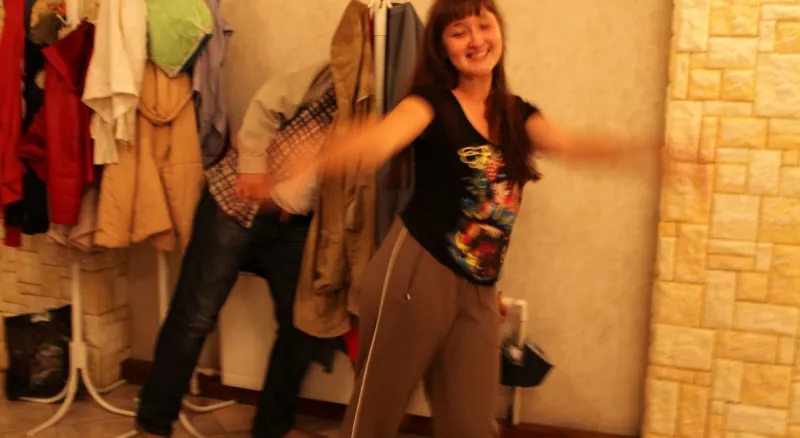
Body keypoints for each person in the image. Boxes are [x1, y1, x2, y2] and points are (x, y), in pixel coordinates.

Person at [281, 0, 656, 437]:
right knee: (376, 416)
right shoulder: (430, 104)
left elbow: (574, 146)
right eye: (459, 32)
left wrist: (654, 154)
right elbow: (378, 142)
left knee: (472, 423)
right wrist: (315, 157)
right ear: (443, 48)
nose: (476, 40)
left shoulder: (517, 115)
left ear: (500, 33)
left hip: (479, 286)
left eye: (483, 26)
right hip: (416, 270)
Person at [135, 62, 335, 438]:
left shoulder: (388, 103)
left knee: (303, 324)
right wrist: (253, 168)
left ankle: (272, 427)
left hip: (295, 222)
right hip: (235, 204)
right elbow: (264, 107)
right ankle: (153, 423)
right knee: (194, 317)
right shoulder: (326, 75)